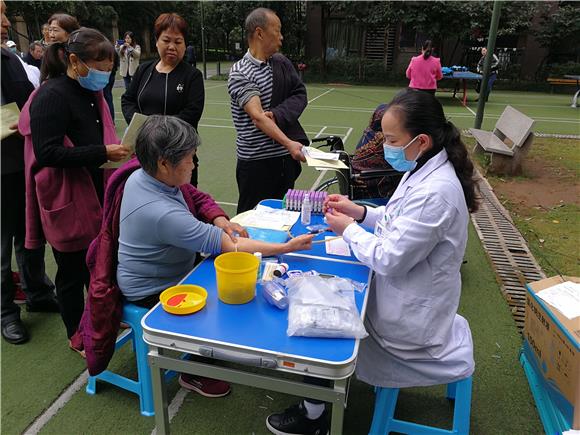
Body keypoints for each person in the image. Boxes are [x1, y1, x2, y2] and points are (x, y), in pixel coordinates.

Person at [266, 88, 477, 435]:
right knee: (323, 295)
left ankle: (314, 414)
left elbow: (390, 258)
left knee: (318, 319)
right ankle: (318, 401)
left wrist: (348, 229)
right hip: (410, 298)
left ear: (420, 140)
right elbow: (397, 222)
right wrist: (360, 212)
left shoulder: (435, 192)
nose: (385, 147)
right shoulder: (424, 166)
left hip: (407, 323)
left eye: (392, 139)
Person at [117, 115, 314, 395]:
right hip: (154, 287)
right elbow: (230, 246)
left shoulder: (145, 175)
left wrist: (221, 219)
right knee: (230, 296)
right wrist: (285, 248)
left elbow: (194, 196)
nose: (194, 163)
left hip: (171, 268)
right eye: (189, 158)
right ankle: (196, 371)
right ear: (163, 162)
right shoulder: (160, 213)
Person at [18, 27, 130, 349]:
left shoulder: (91, 94)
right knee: (71, 273)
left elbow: (96, 139)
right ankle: (75, 333)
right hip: (67, 198)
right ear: (74, 61)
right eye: (99, 68)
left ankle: (97, 317)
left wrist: (112, 152)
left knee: (97, 264)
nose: (104, 76)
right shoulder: (50, 96)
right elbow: (47, 152)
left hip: (96, 191)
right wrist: (101, 153)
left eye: (109, 70)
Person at [1, 0, 57, 345]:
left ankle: (37, 291)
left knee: (29, 235)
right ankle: (6, 311)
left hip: (20, 165)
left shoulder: (12, 60)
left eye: (5, 13)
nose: (5, 22)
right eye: (0, 14)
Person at [228, 8, 307, 214]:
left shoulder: (281, 63)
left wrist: (280, 114)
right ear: (259, 33)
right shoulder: (240, 72)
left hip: (284, 161)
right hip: (255, 163)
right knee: (252, 217)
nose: (281, 37)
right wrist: (290, 143)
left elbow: (299, 94)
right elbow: (258, 117)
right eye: (277, 30)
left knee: (284, 215)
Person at [122, 13, 204, 187]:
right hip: (144, 157)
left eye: (178, 42)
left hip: (179, 159)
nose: (172, 46)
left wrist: (155, 129)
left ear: (184, 44)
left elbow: (191, 113)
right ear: (156, 41)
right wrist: (139, 124)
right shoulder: (144, 70)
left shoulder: (192, 76)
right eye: (166, 40)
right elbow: (128, 99)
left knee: (183, 207)